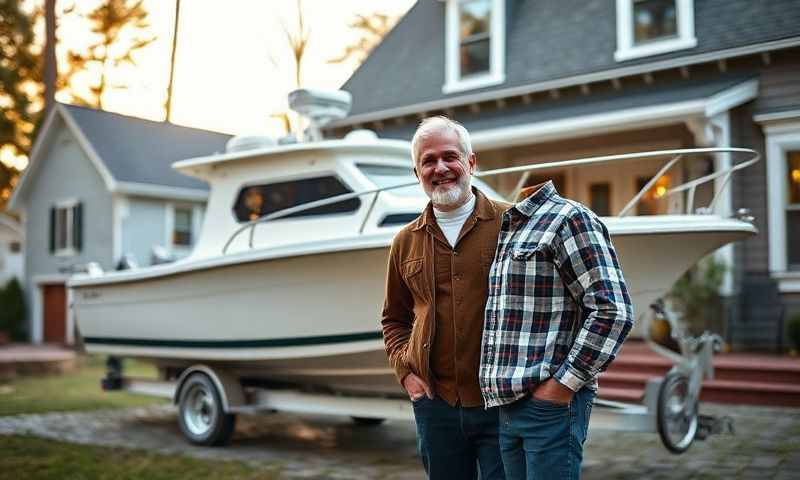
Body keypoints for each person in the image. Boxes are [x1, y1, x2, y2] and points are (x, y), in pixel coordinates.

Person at [381, 116, 508, 480]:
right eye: (428, 161)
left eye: (449, 157)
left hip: (503, 404)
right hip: (436, 406)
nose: (440, 168)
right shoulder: (404, 242)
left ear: (470, 162)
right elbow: (394, 318)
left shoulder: (512, 223)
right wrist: (406, 373)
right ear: (416, 171)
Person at [479, 182, 634, 480]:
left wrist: (562, 386)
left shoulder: (569, 218)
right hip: (508, 406)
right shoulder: (508, 227)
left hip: (549, 405)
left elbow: (613, 311)